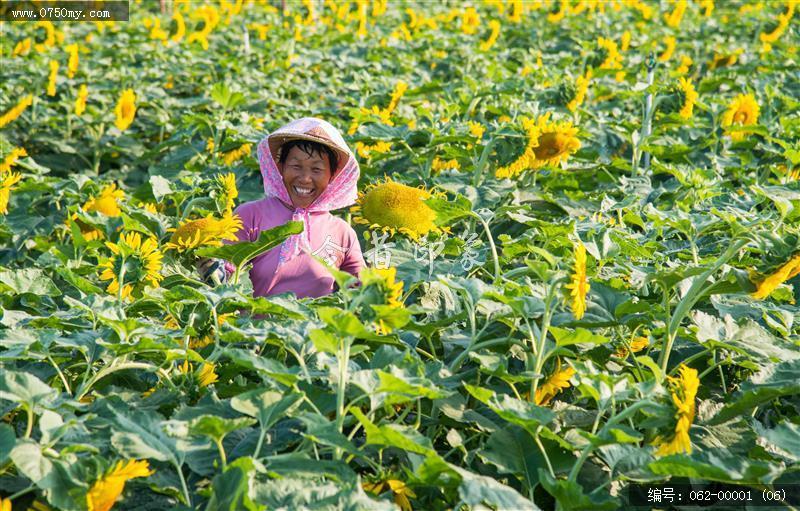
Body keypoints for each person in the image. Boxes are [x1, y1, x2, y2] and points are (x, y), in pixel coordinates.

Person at [199, 117, 365, 298]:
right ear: (281, 168)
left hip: (318, 326)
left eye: (316, 170)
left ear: (333, 176)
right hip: (251, 326)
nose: (305, 178)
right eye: (296, 166)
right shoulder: (251, 215)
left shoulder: (342, 233)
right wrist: (210, 268)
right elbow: (224, 282)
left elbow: (360, 291)